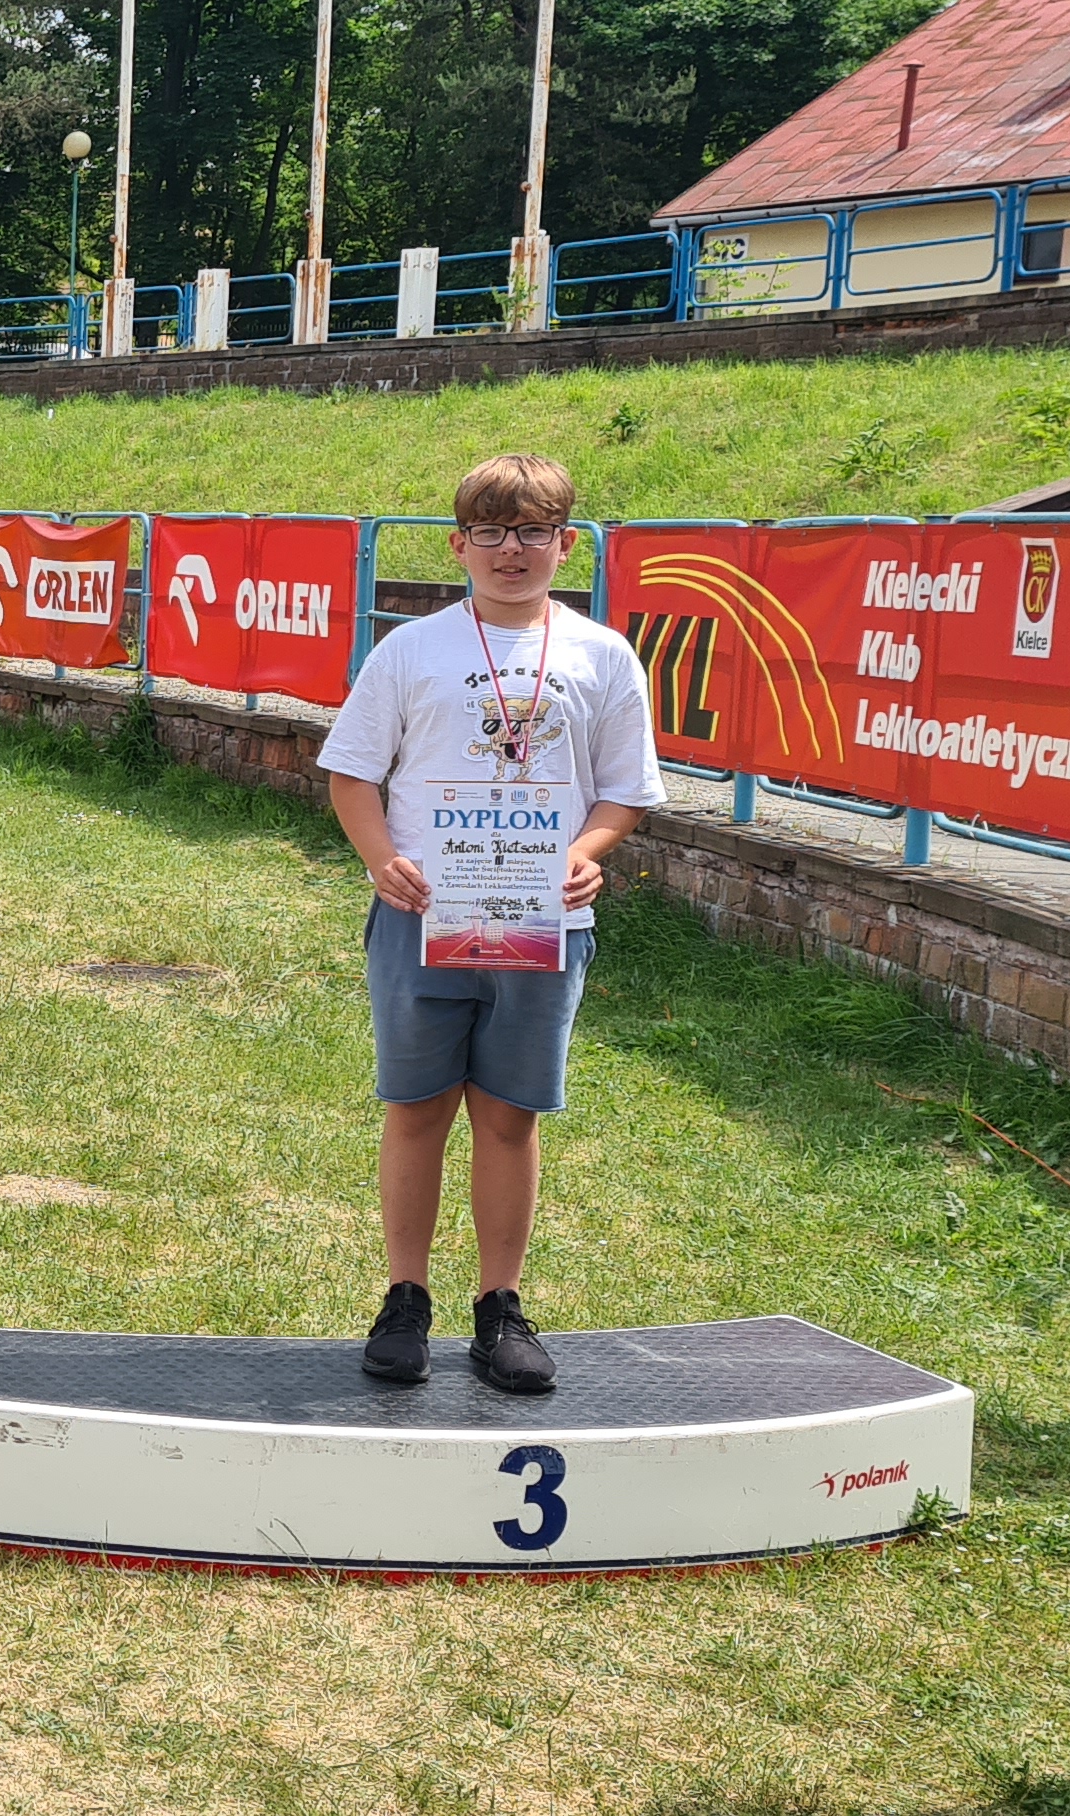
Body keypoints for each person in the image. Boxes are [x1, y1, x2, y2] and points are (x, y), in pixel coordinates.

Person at [317, 453, 662, 1395]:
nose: (514, 551)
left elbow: (626, 791)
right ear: (459, 544)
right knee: (417, 1108)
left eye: (535, 533)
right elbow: (352, 772)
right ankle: (404, 1298)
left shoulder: (600, 655)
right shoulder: (412, 651)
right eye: (494, 533)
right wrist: (381, 857)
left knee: (510, 1116)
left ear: (565, 545)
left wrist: (589, 851)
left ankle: (500, 1306)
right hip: (427, 918)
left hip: (539, 925)